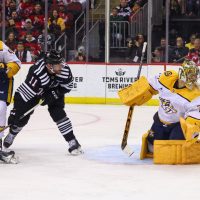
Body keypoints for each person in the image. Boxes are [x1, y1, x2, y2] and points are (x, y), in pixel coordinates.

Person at [3, 50, 83, 156]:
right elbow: (23, 95)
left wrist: (54, 94)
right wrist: (16, 112)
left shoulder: (65, 70)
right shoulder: (36, 73)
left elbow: (67, 87)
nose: (62, 66)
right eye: (58, 65)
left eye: (61, 62)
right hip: (35, 92)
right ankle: (13, 133)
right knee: (21, 118)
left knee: (58, 114)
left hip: (55, 88)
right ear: (49, 66)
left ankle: (72, 141)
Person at [118, 59, 200, 159]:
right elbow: (150, 85)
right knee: (152, 146)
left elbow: (195, 115)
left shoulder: (195, 94)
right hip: (160, 120)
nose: (193, 78)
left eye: (194, 75)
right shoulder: (167, 77)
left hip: (178, 125)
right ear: (182, 73)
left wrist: (191, 129)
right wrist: (138, 90)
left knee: (175, 146)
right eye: (190, 75)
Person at [0, 40, 21, 163]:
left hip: (1, 84)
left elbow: (16, 63)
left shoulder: (1, 47)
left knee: (0, 108)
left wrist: (5, 72)